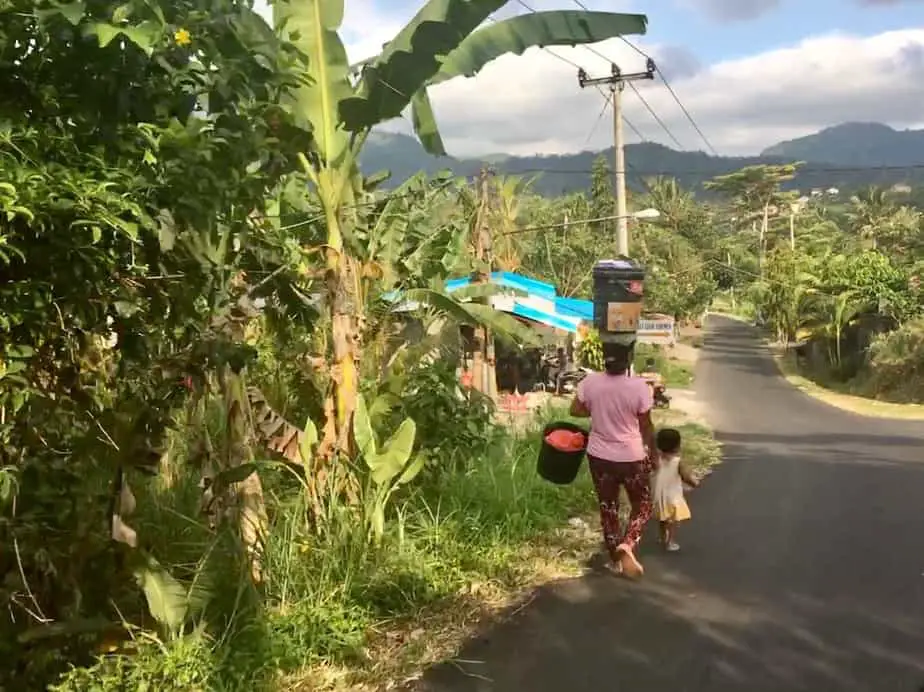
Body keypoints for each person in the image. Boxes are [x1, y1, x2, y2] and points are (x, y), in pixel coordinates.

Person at [570, 340, 656, 578]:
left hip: (599, 456)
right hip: (632, 457)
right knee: (643, 505)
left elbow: (575, 410)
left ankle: (615, 561)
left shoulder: (590, 383)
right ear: (627, 361)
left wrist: (596, 409)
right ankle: (628, 543)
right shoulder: (639, 387)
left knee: (609, 507)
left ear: (603, 360)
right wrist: (654, 454)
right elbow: (646, 425)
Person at [651, 427, 699, 552]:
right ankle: (670, 541)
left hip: (659, 495)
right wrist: (694, 483)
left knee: (662, 518)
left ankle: (662, 538)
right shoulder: (677, 462)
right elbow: (686, 476)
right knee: (673, 521)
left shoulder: (656, 460)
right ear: (678, 445)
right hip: (673, 496)